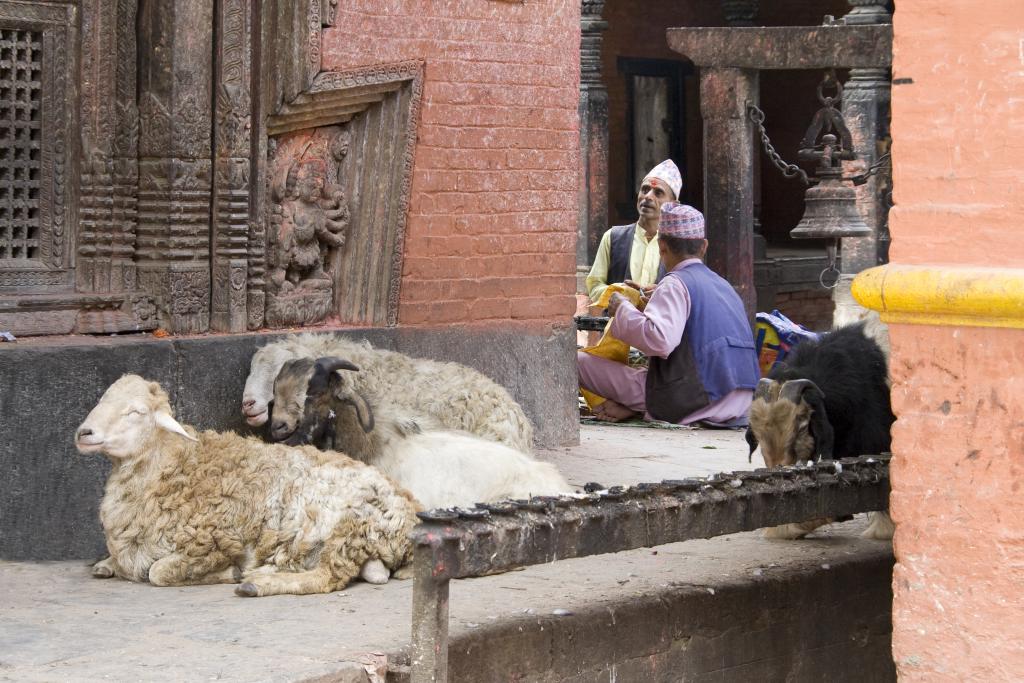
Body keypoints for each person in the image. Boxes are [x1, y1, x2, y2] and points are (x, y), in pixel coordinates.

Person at [578, 202, 760, 426]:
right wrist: (650, 305)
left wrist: (621, 307)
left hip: (697, 401)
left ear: (661, 247)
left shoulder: (675, 284)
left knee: (576, 362)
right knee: (651, 372)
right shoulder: (724, 286)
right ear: (703, 247)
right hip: (740, 401)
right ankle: (631, 408)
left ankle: (640, 406)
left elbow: (659, 341)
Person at [585, 159, 683, 303]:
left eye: (658, 193)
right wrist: (616, 293)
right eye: (644, 189)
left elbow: (686, 295)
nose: (648, 196)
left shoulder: (678, 246)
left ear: (673, 204)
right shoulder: (613, 237)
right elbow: (594, 286)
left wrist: (662, 294)